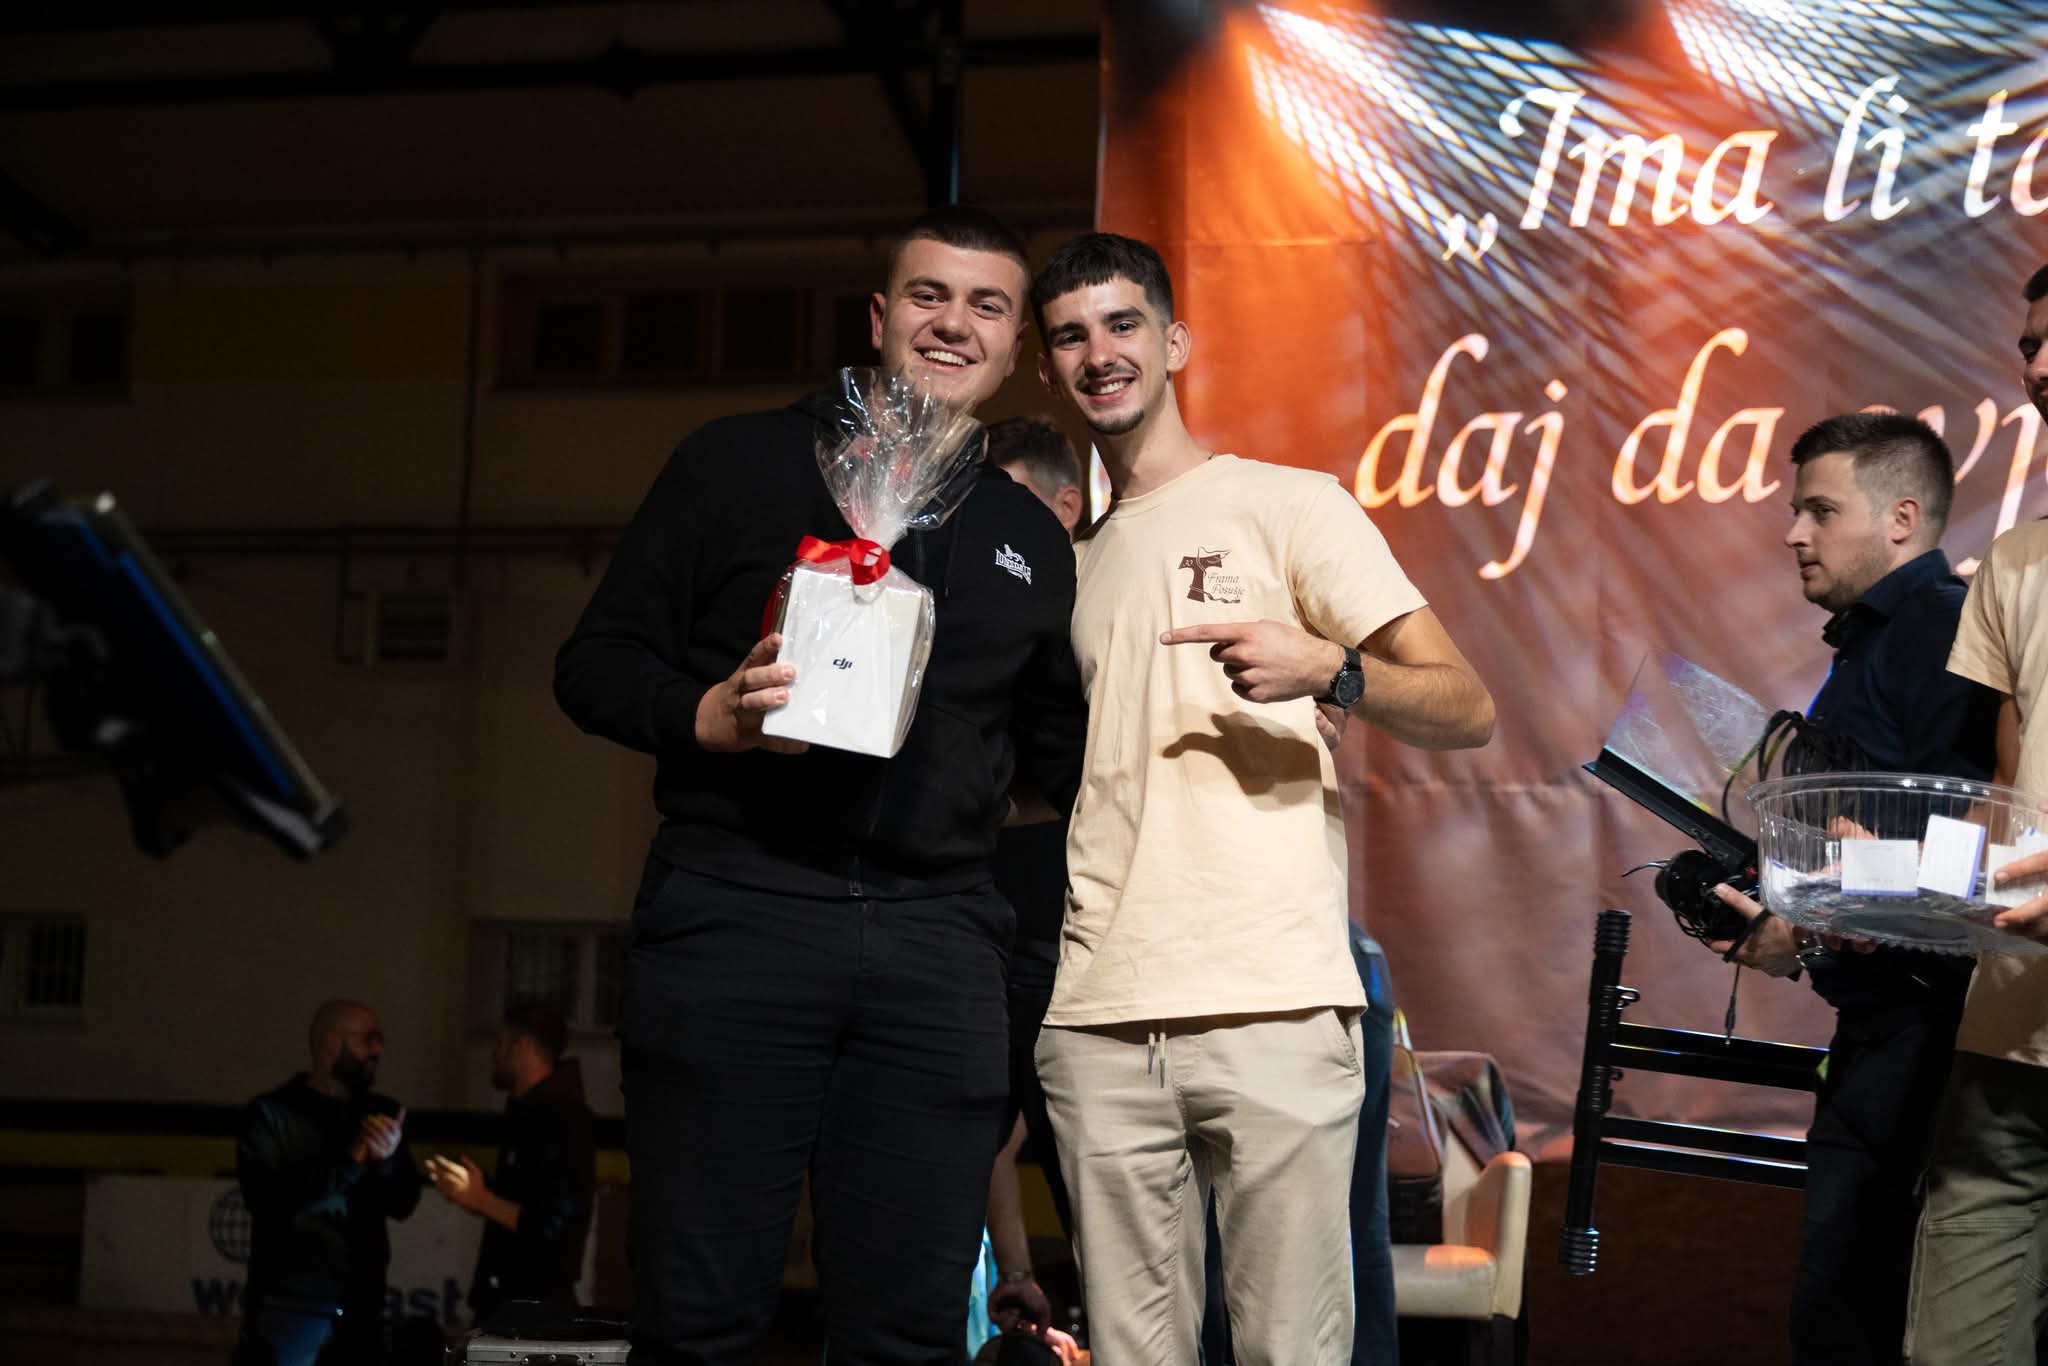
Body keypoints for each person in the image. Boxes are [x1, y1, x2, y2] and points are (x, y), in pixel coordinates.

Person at [553, 204, 1086, 1366]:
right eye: (928, 295)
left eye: (986, 306)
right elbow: (593, 664)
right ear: (879, 315)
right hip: (735, 912)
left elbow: (1066, 755)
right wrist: (702, 714)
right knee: (698, 1322)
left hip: (939, 945)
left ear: (1013, 349)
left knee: (906, 1332)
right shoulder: (734, 461)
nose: (953, 323)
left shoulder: (1026, 536)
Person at [1027, 232, 1494, 1365]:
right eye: (1071, 336)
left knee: (1293, 1349)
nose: (1100, 353)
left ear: (1175, 341)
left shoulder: (1288, 504)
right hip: (1099, 1010)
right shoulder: (1073, 565)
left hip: (1272, 1001)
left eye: (1124, 323)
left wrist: (1330, 669)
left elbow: (1466, 703)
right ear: (1047, 368)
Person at [1705, 412, 1995, 1366]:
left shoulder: (1940, 627)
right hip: (1881, 1042)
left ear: (1902, 517)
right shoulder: (1875, 640)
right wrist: (1790, 913)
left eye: (1820, 511)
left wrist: (1804, 922)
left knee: (1861, 1328)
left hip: (1931, 1050)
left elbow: (1963, 856)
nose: (1794, 533)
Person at [1902, 264, 2048, 1366]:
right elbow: (2003, 792)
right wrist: (1892, 882)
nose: (2036, 364)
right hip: (2010, 1027)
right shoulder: (2015, 558)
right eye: (2029, 342)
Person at [234, 999, 422, 1366]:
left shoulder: (381, 1114)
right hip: (288, 1308)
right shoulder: (271, 1114)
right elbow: (267, 1200)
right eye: (368, 1039)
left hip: (361, 1308)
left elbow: (403, 1203)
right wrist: (353, 1161)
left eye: (380, 1040)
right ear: (330, 1043)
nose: (378, 1050)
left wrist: (386, 1161)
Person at [424, 1000, 597, 1323]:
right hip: (512, 1301)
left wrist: (482, 1199)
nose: (495, 1054)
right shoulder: (531, 1113)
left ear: (523, 1045)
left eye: (500, 1043)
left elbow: (557, 1224)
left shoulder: (561, 1120)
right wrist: (476, 1196)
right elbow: (526, 1202)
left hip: (531, 1310)